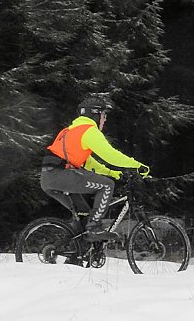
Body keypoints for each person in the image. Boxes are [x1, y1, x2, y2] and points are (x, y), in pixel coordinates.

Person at [41, 94, 150, 241]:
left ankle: (72, 249)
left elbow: (89, 163)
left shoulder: (69, 131)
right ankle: (95, 228)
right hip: (61, 175)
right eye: (104, 115)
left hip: (49, 179)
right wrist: (137, 166)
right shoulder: (89, 131)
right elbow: (110, 155)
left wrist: (112, 172)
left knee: (84, 215)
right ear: (95, 115)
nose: (105, 120)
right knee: (106, 186)